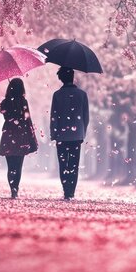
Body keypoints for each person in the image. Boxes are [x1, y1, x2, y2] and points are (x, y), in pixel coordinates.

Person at [50, 67, 89, 200]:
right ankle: (71, 190)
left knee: (63, 163)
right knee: (74, 163)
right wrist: (82, 132)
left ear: (61, 78)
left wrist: (53, 133)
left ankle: (66, 189)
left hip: (61, 135)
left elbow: (54, 116)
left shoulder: (57, 95)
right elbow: (86, 116)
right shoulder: (82, 95)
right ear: (73, 77)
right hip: (77, 135)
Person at [0, 78, 38, 199]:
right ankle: (16, 189)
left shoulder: (5, 102)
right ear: (22, 88)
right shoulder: (23, 102)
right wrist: (32, 135)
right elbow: (27, 118)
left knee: (11, 166)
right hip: (21, 135)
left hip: (8, 134)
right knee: (18, 165)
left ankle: (12, 189)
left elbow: (5, 115)